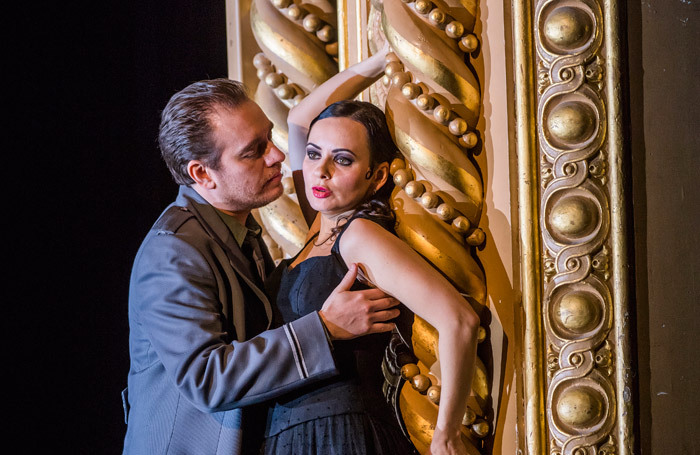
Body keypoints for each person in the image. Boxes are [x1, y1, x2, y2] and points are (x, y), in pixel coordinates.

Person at [122, 78, 403, 455]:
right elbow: (207, 378)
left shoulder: (238, 230)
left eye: (269, 138)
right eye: (253, 151)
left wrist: (381, 63)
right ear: (202, 174)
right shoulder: (172, 251)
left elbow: (301, 121)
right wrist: (325, 328)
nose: (277, 156)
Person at [261, 45, 481, 455]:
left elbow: (459, 320)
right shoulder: (317, 226)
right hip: (286, 436)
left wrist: (445, 434)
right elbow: (299, 118)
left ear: (376, 177)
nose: (320, 170)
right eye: (313, 154)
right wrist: (381, 60)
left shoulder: (359, 235)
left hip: (341, 437)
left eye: (341, 160)